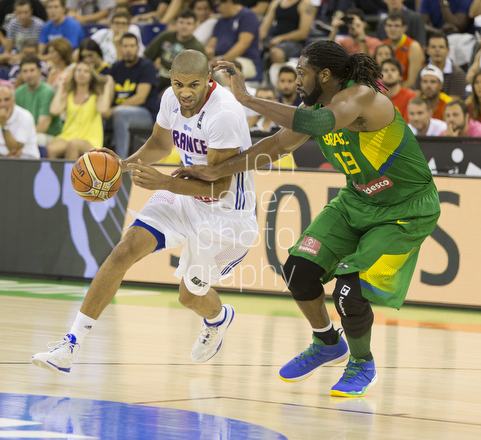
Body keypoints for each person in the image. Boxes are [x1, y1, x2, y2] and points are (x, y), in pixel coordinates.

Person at [175, 41, 440, 397]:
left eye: (302, 73)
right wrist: (216, 171)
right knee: (299, 271)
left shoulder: (362, 98)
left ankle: (363, 364)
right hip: (357, 198)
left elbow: (319, 122)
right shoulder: (313, 105)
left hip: (405, 208)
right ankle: (328, 342)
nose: (297, 79)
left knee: (349, 290)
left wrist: (249, 99)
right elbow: (275, 147)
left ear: (326, 75)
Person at [32, 50, 259, 375]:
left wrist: (164, 182)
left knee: (190, 295)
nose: (185, 92)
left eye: (194, 84)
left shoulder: (224, 114)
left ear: (208, 79)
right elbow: (159, 144)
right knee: (124, 251)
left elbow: (219, 187)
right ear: (170, 81)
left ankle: (218, 318)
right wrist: (121, 166)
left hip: (226, 217)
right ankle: (70, 345)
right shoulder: (170, 99)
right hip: (184, 197)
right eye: (178, 84)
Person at [104, 33, 158, 159]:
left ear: (138, 48)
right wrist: (105, 109)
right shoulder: (116, 67)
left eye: (132, 46)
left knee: (120, 113)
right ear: (120, 48)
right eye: (125, 46)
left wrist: (112, 110)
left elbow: (141, 97)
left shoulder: (146, 66)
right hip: (118, 110)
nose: (129, 49)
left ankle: (121, 161)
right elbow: (110, 93)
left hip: (145, 114)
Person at [47, 61, 112, 159]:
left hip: (90, 139)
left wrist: (107, 88)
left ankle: (70, 174)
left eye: (86, 71)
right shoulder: (68, 95)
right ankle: (53, 174)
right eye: (78, 70)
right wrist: (60, 88)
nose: (81, 73)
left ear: (91, 76)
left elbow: (103, 110)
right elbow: (54, 110)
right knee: (51, 149)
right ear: (74, 74)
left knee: (73, 144)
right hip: (68, 135)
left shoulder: (96, 96)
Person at [144, 9, 204, 91]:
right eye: (181, 22)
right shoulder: (166, 36)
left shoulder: (198, 47)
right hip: (160, 76)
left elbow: (199, 76)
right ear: (176, 23)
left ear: (195, 26)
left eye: (188, 23)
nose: (184, 26)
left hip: (182, 83)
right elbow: (147, 56)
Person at [207, 0, 262, 82]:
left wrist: (223, 59)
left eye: (219, 5)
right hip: (221, 59)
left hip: (245, 60)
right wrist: (209, 50)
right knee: (200, 70)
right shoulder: (221, 21)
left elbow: (243, 44)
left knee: (223, 74)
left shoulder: (248, 16)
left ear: (229, 2)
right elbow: (212, 43)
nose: (218, 9)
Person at [15, 54, 62, 148]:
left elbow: (42, 128)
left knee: (35, 139)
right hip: (28, 134)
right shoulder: (18, 92)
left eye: (32, 70)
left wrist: (20, 135)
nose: (29, 74)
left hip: (50, 136)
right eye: (25, 71)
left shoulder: (47, 92)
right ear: (20, 74)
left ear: (39, 71)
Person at [0, 85, 39, 158]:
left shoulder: (25, 116)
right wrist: (5, 158)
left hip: (26, 160)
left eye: (6, 99)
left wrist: (3, 124)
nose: (3, 104)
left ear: (13, 99)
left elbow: (14, 148)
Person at [259, 0, 316, 65]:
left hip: (295, 42)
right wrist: (257, 41)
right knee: (252, 46)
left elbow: (303, 33)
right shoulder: (276, 3)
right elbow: (264, 28)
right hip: (274, 39)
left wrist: (280, 38)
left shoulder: (305, 4)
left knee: (276, 52)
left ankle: (283, 73)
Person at [411, 33, 466, 100]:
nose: (437, 50)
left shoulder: (457, 74)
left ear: (448, 50)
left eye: (441, 47)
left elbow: (455, 102)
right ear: (427, 50)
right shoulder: (422, 71)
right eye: (433, 47)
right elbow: (416, 98)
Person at [381, 11, 423, 88]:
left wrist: (394, 91)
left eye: (397, 26)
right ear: (385, 28)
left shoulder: (413, 47)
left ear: (404, 28)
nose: (392, 29)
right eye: (389, 26)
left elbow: (413, 82)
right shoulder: (382, 46)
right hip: (386, 90)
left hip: (407, 91)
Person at [381, 57, 415, 122]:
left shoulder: (410, 97)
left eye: (393, 70)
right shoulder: (378, 97)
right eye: (385, 70)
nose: (389, 73)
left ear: (400, 76)